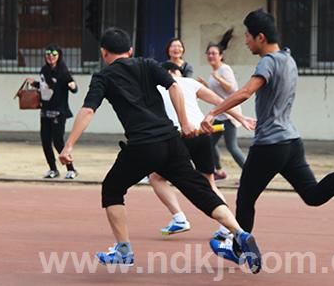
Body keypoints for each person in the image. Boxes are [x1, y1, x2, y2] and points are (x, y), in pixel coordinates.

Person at [58, 27, 262, 273]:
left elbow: (88, 110)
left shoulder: (103, 77)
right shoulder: (147, 63)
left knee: (112, 188)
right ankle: (239, 233)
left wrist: (69, 146)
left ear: (103, 52)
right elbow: (174, 87)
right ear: (130, 50)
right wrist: (185, 122)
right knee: (199, 189)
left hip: (143, 145)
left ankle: (123, 250)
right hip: (171, 140)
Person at [201, 9, 334, 264]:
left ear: (261, 37)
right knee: (313, 195)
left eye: (248, 37)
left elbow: (246, 92)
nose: (246, 42)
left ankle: (240, 250)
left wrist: (213, 112)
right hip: (292, 142)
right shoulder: (288, 59)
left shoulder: (268, 62)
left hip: (269, 145)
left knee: (245, 199)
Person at [151, 62, 255, 239]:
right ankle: (226, 227)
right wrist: (240, 117)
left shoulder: (158, 86)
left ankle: (179, 218)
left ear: (165, 73)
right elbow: (221, 102)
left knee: (155, 177)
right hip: (202, 133)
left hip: (179, 136)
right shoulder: (190, 82)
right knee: (209, 183)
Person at [197, 29, 245, 180]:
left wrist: (218, 78)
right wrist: (205, 84)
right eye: (209, 53)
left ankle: (250, 174)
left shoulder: (224, 69)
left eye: (214, 53)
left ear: (221, 56)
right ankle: (218, 171)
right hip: (220, 113)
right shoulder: (215, 71)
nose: (211, 56)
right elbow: (217, 93)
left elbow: (232, 89)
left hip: (230, 114)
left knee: (232, 146)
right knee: (209, 143)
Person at [26, 44, 78, 179]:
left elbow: (73, 87)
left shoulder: (63, 71)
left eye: (54, 54)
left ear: (59, 56)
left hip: (59, 112)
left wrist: (73, 86)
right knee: (45, 141)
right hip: (45, 110)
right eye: (48, 54)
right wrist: (35, 83)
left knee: (58, 142)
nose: (50, 57)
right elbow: (46, 87)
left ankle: (71, 169)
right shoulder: (44, 70)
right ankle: (53, 169)